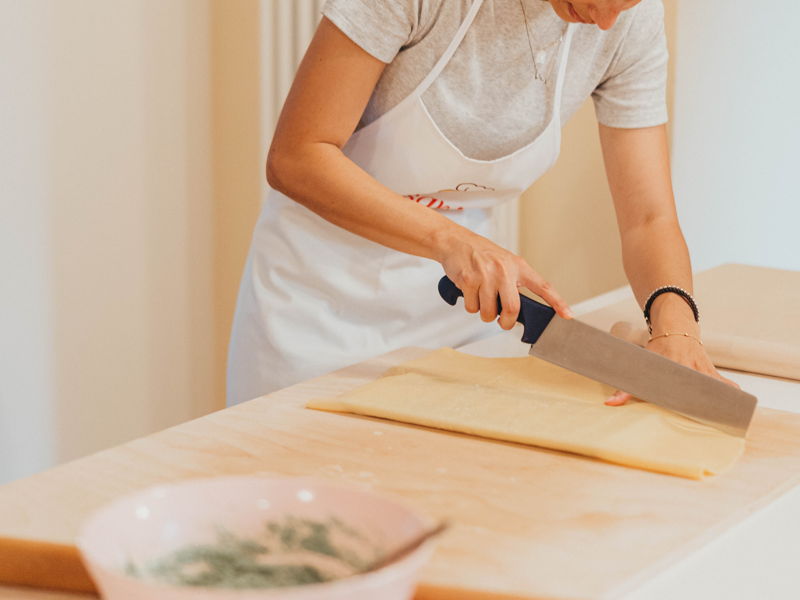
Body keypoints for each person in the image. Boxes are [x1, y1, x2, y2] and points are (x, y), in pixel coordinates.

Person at [227, 0, 737, 406]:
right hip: (312, 313)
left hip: (455, 315)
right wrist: (450, 239)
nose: (606, 22)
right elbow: (297, 156)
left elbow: (649, 219)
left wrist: (676, 329)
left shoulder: (630, 22)